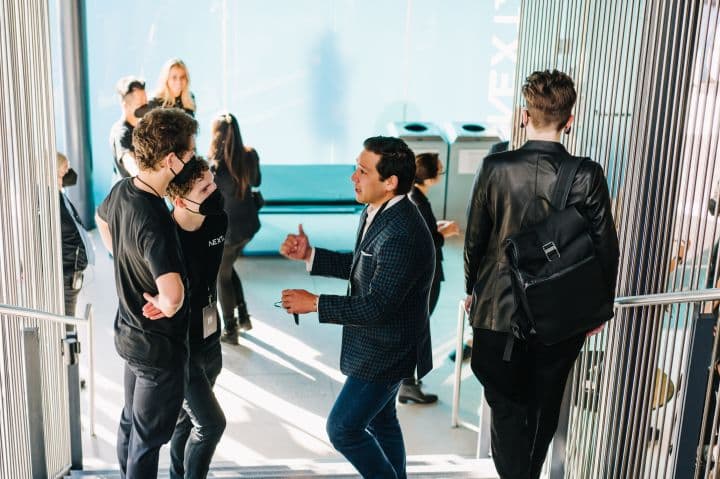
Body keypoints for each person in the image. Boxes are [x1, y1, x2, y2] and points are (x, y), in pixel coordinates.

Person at [464, 70, 619, 479]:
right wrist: (597, 312)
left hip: (496, 311)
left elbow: (474, 242)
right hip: (559, 316)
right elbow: (605, 250)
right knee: (542, 410)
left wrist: (472, 293)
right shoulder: (587, 175)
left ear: (523, 115)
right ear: (571, 120)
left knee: (504, 408)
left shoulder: (494, 167)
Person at [280, 136, 435, 479]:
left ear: (390, 182)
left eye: (363, 171)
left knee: (343, 429)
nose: (353, 177)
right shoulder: (379, 210)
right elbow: (364, 264)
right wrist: (310, 255)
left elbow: (377, 306)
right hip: (383, 344)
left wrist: (316, 303)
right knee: (382, 420)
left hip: (387, 350)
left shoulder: (402, 233)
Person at [96, 107, 198, 477]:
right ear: (171, 160)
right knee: (149, 440)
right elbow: (172, 295)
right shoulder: (155, 220)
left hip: (128, 334)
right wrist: (167, 303)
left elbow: (101, 219)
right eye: (188, 156)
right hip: (158, 348)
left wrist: (125, 259)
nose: (191, 162)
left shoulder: (123, 189)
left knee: (130, 423)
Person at [165, 158, 227, 479]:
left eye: (212, 181)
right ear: (179, 200)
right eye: (204, 188)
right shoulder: (165, 239)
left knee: (187, 423)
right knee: (211, 424)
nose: (215, 190)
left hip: (210, 336)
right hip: (180, 348)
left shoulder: (218, 221)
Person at [399, 152, 460, 404]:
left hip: (417, 274)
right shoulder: (419, 202)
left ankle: (407, 379)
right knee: (417, 328)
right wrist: (446, 232)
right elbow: (427, 242)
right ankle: (407, 383)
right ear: (432, 177)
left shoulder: (413, 197)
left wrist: (437, 227)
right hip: (425, 275)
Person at [209, 113, 261, 342]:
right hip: (248, 227)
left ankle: (230, 330)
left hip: (228, 232)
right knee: (227, 269)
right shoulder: (250, 155)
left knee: (221, 274)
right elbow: (257, 182)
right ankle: (243, 317)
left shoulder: (215, 167)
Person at [57, 152, 94, 316]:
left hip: (73, 273)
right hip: (65, 276)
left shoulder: (61, 196)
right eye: (66, 169)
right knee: (67, 322)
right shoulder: (49, 200)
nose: (69, 173)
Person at [109, 76, 147, 179]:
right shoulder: (121, 132)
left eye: (145, 102)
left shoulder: (141, 128)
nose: (145, 107)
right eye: (140, 104)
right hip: (131, 193)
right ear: (125, 105)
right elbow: (129, 162)